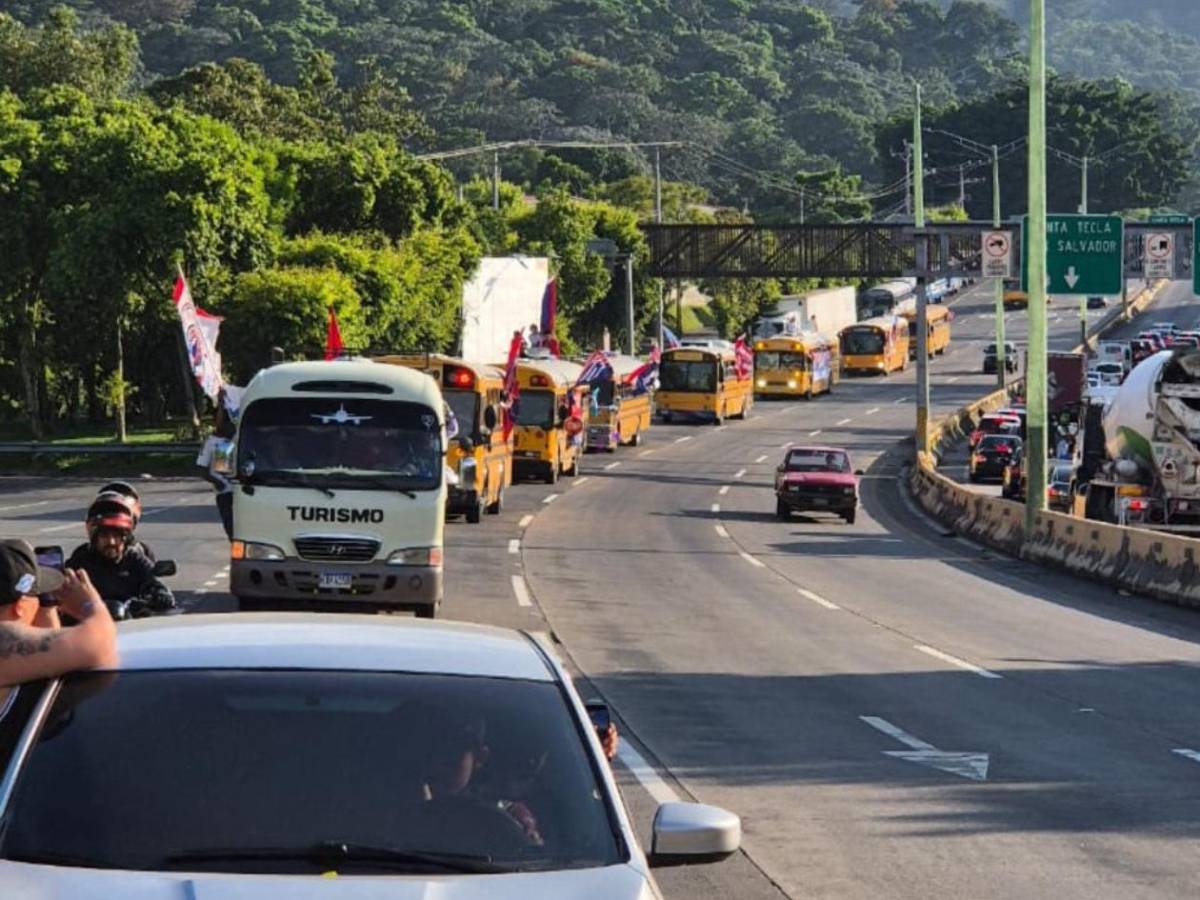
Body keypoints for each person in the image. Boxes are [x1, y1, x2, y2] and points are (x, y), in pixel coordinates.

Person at [0, 539, 117, 688]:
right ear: (19, 606)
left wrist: (47, 604)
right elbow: (99, 643)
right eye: (38, 596)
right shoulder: (5, 640)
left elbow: (48, 648)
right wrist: (89, 604)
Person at [67, 499, 174, 618]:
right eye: (104, 536)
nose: (111, 542)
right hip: (93, 625)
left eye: (116, 536)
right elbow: (64, 589)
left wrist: (161, 593)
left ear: (125, 538)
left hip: (132, 625)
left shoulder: (133, 558)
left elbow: (151, 580)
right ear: (94, 538)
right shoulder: (80, 560)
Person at [197, 394, 235, 539]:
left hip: (242, 493)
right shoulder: (212, 442)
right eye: (225, 421)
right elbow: (202, 469)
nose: (229, 424)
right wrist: (219, 483)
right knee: (231, 528)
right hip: (225, 494)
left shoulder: (236, 439)